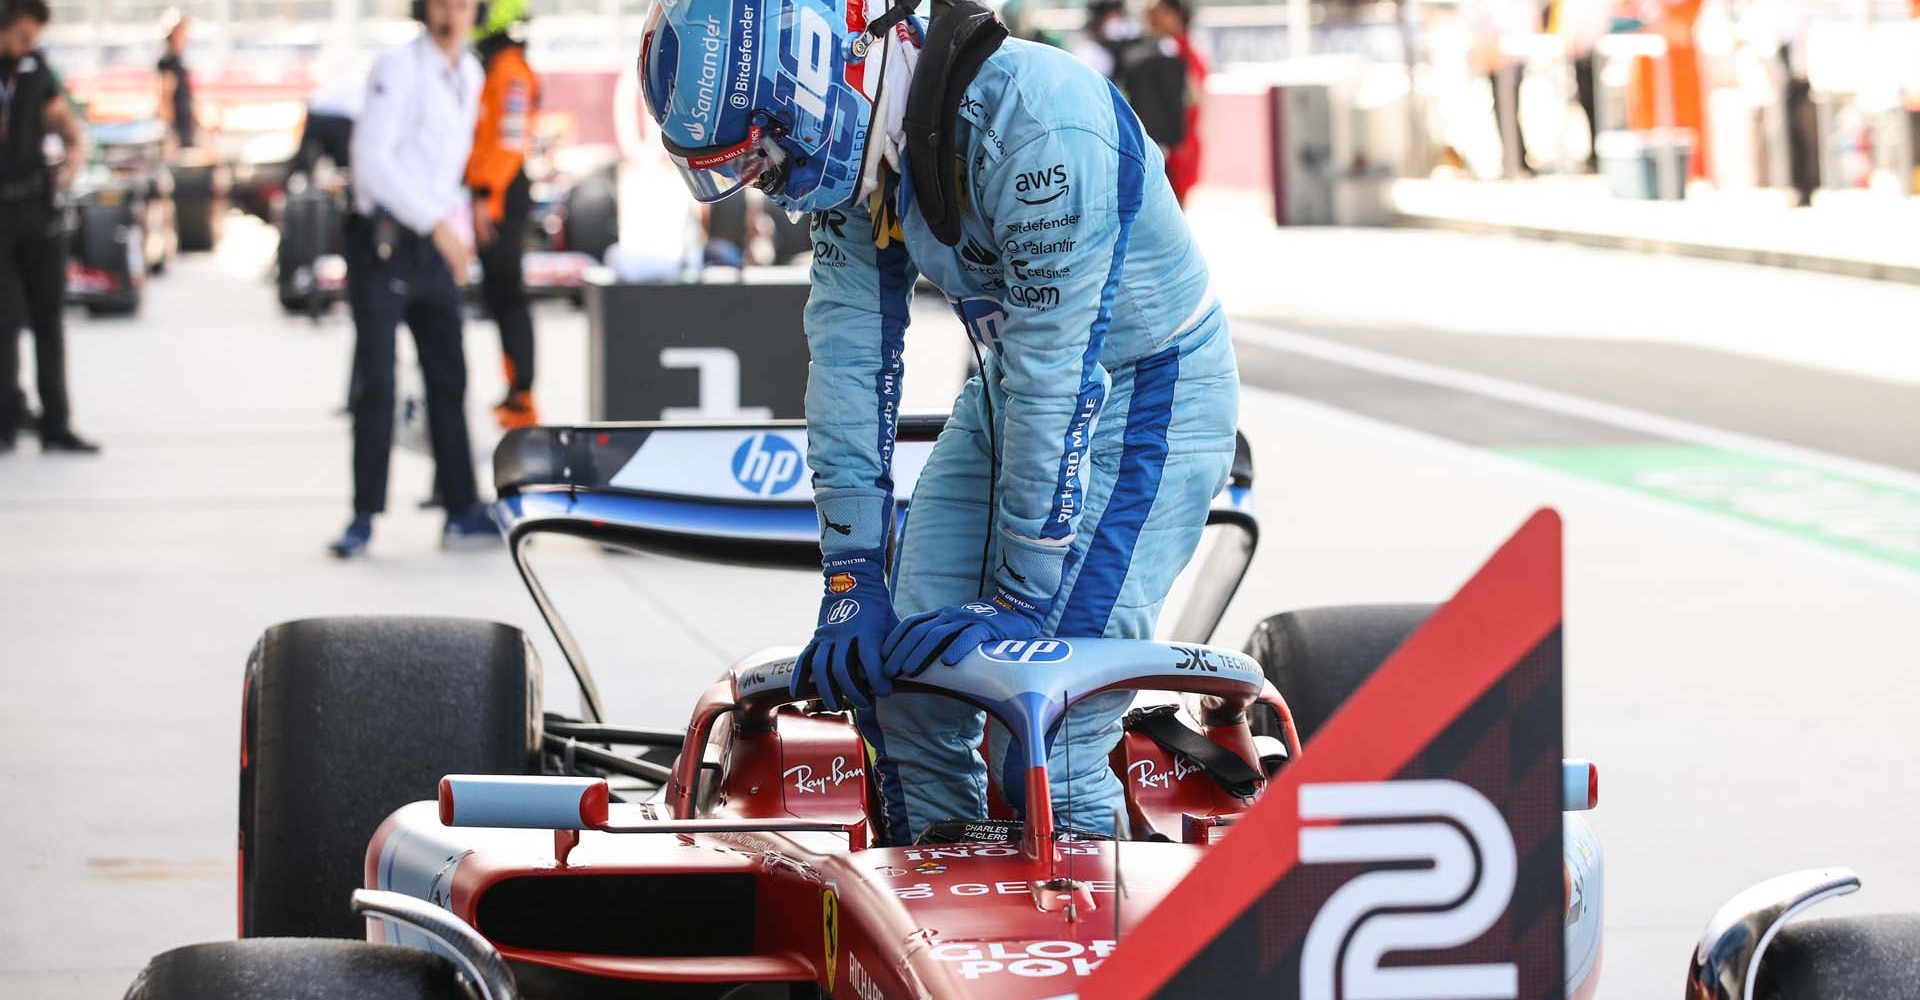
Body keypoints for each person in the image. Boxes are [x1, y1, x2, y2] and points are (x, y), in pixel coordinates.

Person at [640, 0, 1240, 843]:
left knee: (1044, 726)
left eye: (765, 152)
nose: (772, 180)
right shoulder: (858, 151)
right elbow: (848, 359)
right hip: (1009, 399)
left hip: (1150, 405)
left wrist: (1024, 600)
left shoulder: (1040, 127)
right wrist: (852, 569)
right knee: (906, 692)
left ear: (811, 78)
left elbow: (1056, 372)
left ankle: (1104, 958)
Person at [328, 0, 495, 557]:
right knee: (377, 383)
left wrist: (458, 229)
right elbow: (370, 160)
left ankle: (461, 509)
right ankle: (363, 517)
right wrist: (436, 225)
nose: (452, 12)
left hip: (435, 245)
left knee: (449, 376)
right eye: (442, 1)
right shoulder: (398, 66)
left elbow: (447, 171)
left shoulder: (470, 73)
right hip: (383, 243)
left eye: (463, 2)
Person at [0, 0, 97, 455]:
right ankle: (6, 418)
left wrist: (72, 159)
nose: (27, 44)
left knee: (49, 320)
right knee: (3, 322)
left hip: (36, 208)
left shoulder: (38, 71)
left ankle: (56, 423)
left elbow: (69, 127)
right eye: (21, 35)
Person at [464, 0, 542, 430]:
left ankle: (523, 397)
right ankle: (515, 393)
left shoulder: (509, 70)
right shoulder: (494, 66)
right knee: (499, 296)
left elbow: (509, 145)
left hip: (501, 197)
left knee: (509, 297)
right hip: (490, 195)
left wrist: (484, 198)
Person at [1144, 0, 1204, 204]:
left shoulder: (1177, 51)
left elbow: (1194, 98)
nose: (1150, 22)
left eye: (1156, 15)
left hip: (1178, 140)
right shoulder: (1162, 49)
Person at [156, 8, 195, 149]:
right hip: (176, 126)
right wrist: (170, 131)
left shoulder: (180, 60)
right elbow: (164, 96)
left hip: (185, 123)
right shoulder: (168, 61)